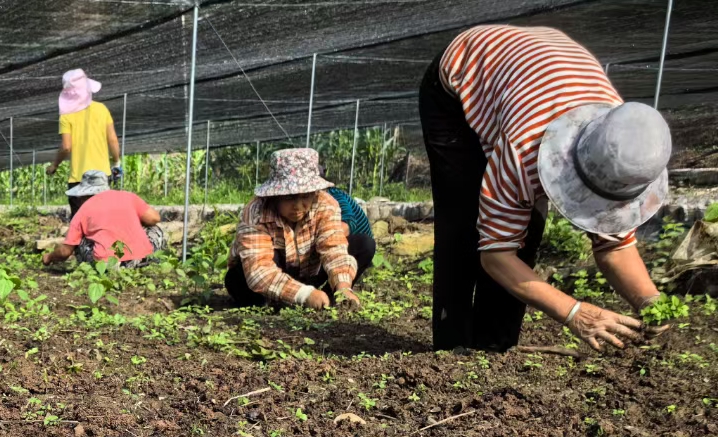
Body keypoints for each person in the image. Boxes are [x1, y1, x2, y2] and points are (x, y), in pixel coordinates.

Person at [420, 24, 670, 352]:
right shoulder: (526, 149)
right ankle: (451, 350)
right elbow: (496, 256)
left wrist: (650, 301)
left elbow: (615, 247)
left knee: (526, 233)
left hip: (536, 72)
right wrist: (575, 313)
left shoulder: (629, 150)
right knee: (465, 224)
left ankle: (496, 348)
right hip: (461, 77)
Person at [225, 148, 374, 310]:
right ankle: (284, 300)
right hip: (262, 277)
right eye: (289, 198)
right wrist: (303, 294)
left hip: (308, 272)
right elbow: (259, 270)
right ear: (275, 196)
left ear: (314, 193)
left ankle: (327, 298)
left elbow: (333, 248)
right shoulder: (256, 212)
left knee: (364, 244)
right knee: (237, 279)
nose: (297, 206)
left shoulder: (325, 204)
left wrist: (343, 287)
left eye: (305, 197)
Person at [42, 172, 165, 268]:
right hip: (140, 259)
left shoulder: (82, 211)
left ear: (83, 195)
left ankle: (101, 265)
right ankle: (149, 259)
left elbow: (65, 252)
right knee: (155, 229)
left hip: (107, 264)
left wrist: (49, 257)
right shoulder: (128, 196)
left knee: (80, 240)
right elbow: (154, 218)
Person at [47, 69, 121, 215]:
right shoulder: (101, 109)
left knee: (79, 222)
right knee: (101, 220)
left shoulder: (66, 116)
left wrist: (54, 165)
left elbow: (66, 147)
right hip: (101, 177)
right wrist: (117, 162)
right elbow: (112, 139)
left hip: (79, 179)